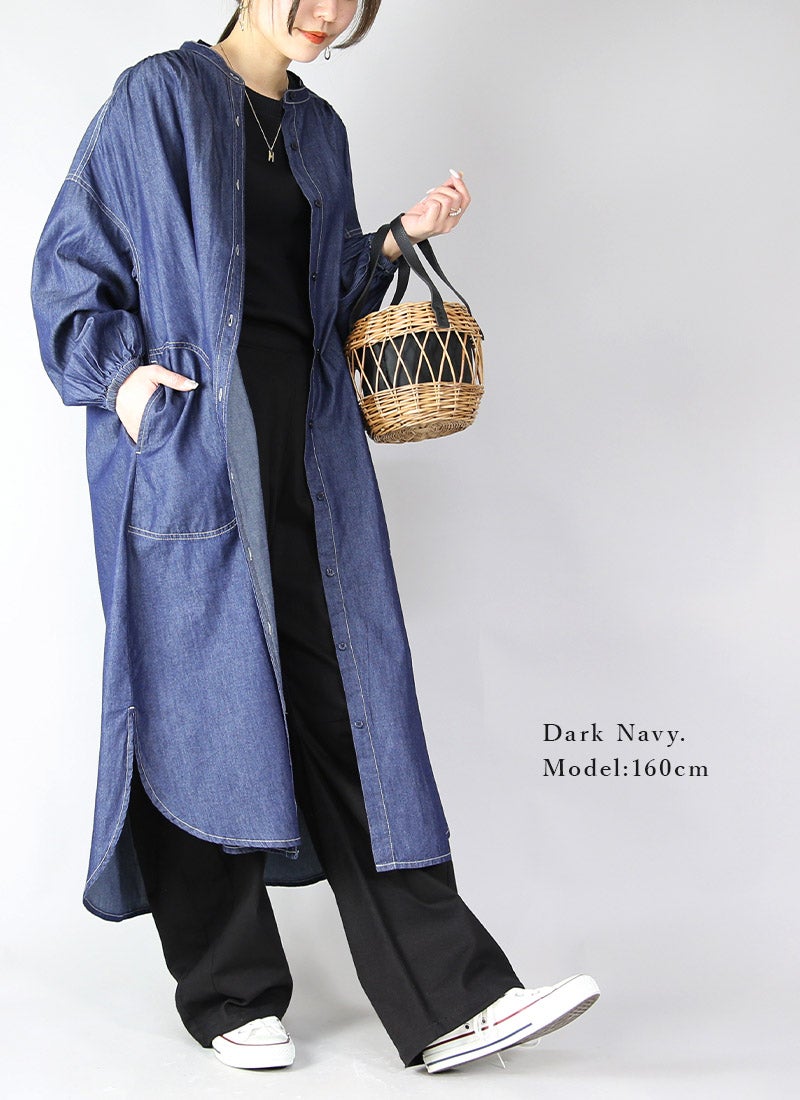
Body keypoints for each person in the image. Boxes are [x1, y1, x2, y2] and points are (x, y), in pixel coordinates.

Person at [30, 0, 600, 1075]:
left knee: (354, 713)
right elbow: (71, 261)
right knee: (197, 699)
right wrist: (125, 383)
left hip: (310, 457)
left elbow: (316, 292)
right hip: (197, 454)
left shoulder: (320, 129)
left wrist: (396, 240)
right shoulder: (161, 96)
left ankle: (451, 999)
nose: (331, 9)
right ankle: (229, 989)